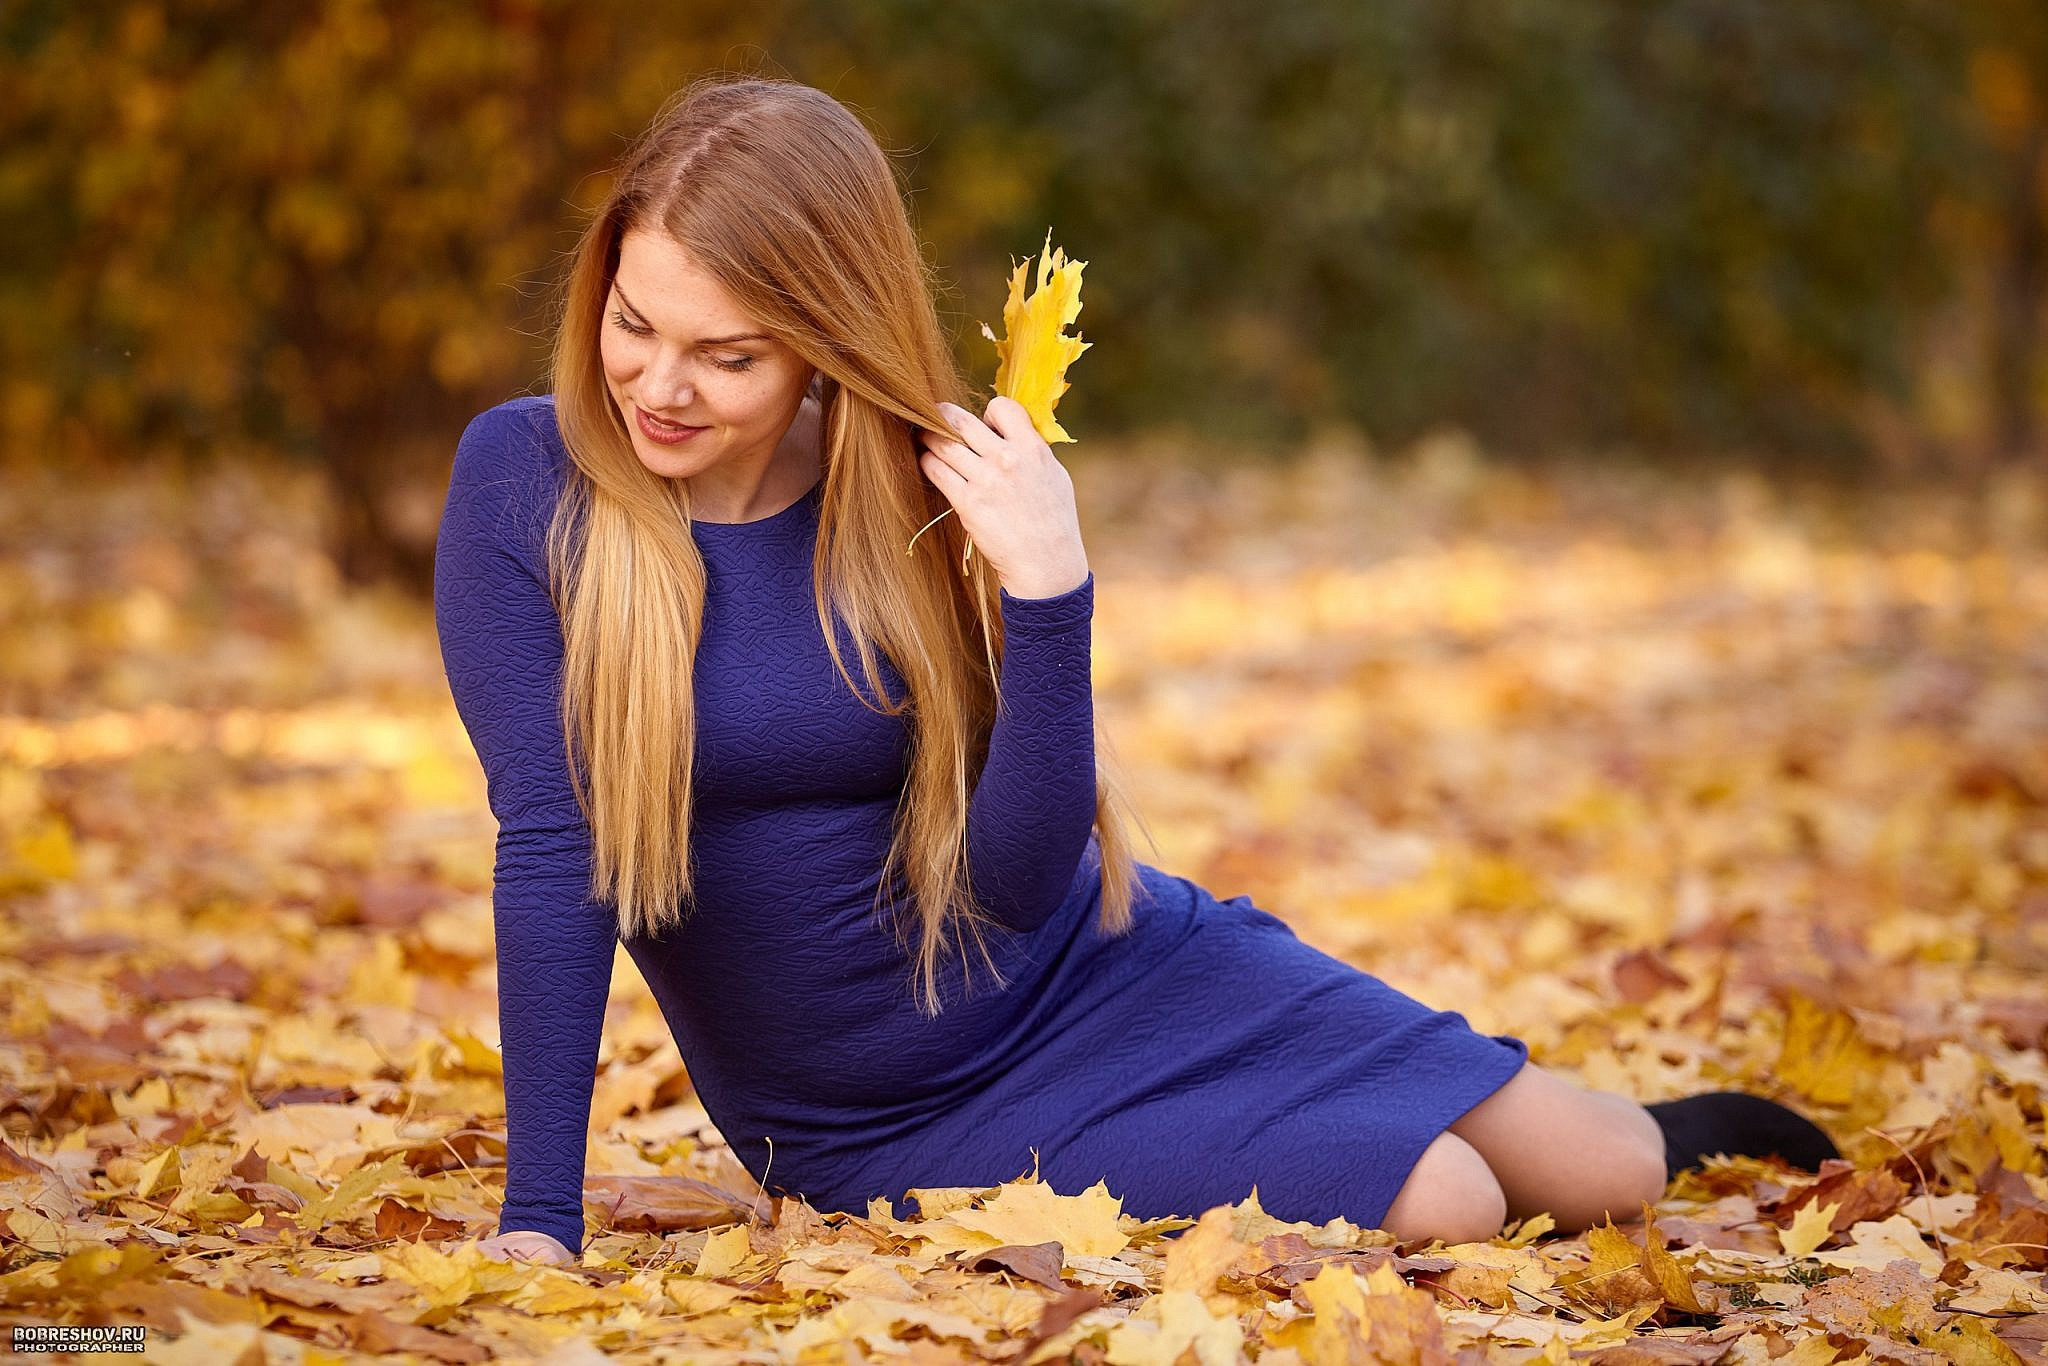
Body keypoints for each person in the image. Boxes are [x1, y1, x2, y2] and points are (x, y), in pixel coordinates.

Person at [434, 75, 1836, 1268]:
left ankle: (1628, 1122)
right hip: (884, 1110)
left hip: (1093, 961)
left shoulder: (914, 481)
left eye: (725, 354)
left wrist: (1049, 590)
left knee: (1612, 1169)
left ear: (818, 345)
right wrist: (539, 1219)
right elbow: (556, 848)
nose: (660, 386)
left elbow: (1016, 881)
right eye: (634, 326)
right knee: (1451, 1198)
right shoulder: (525, 484)